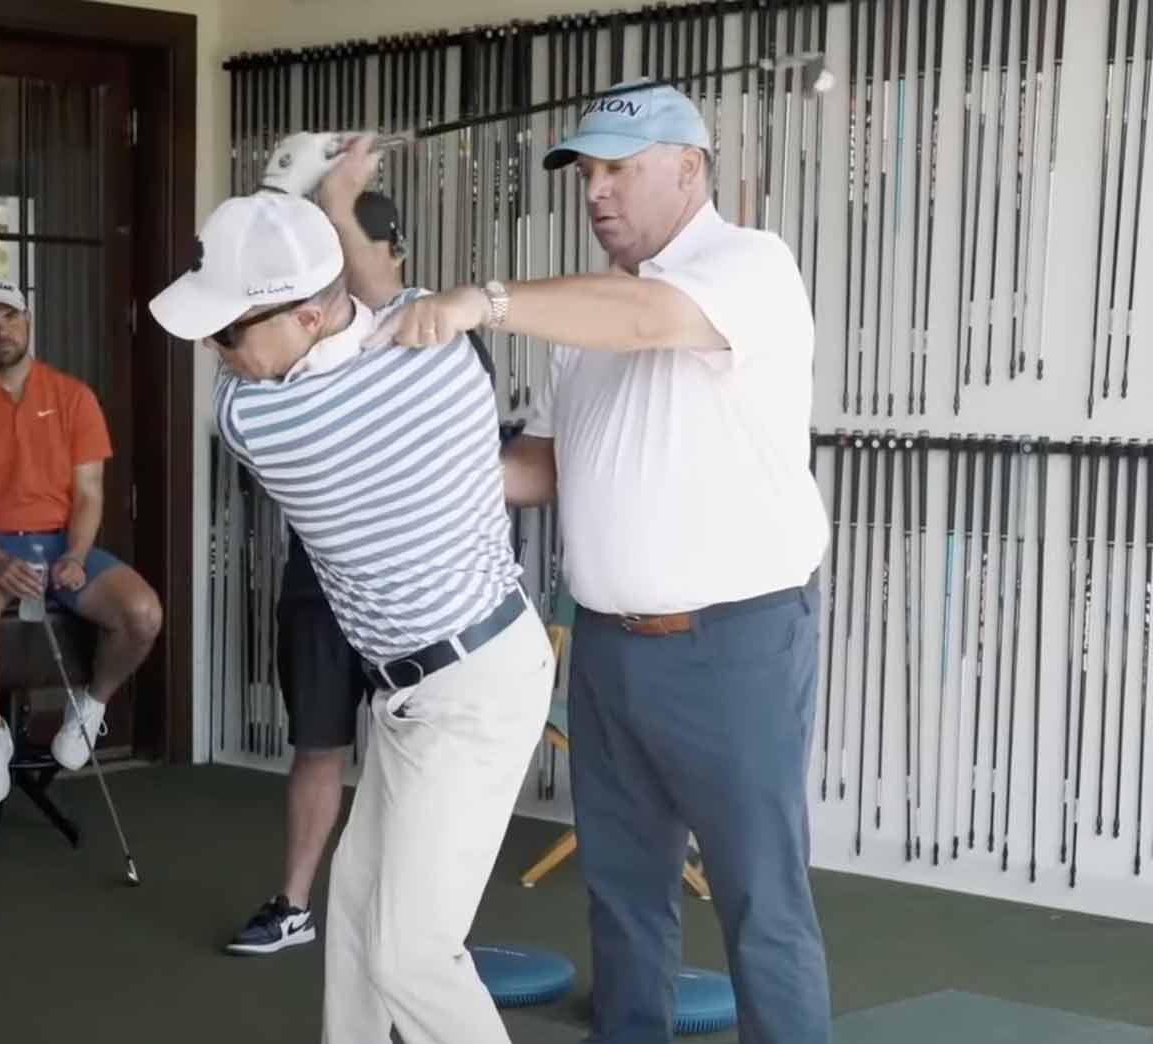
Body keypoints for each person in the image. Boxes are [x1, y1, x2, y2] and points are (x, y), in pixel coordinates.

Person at [365, 82, 833, 1044]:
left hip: (733, 647)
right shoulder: (585, 331)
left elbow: (651, 320)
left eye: (618, 168)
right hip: (609, 649)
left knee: (761, 905)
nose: (596, 192)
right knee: (623, 899)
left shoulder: (748, 264)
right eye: (586, 174)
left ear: (689, 169)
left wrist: (481, 301)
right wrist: (413, 469)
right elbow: (543, 467)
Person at [149, 188, 554, 1044]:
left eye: (228, 333)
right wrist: (339, 210)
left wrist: (324, 207)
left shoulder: (258, 413)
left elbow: (370, 305)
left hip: (478, 687)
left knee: (411, 955)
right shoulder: (432, 355)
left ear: (303, 316)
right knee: (360, 923)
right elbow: (390, 305)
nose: (217, 356)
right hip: (413, 691)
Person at [223, 189, 493, 957]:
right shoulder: (261, 403)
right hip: (323, 584)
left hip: (428, 614)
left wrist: (331, 208)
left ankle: (424, 922)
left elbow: (380, 306)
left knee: (410, 763)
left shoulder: (434, 339)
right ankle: (294, 901)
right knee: (319, 741)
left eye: (351, 246)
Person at [0, 278, 163, 806]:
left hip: (60, 543)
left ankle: (91, 706)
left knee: (143, 614)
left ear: (28, 322)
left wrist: (76, 555)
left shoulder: (73, 397)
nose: (0, 330)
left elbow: (88, 493)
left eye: (9, 317)